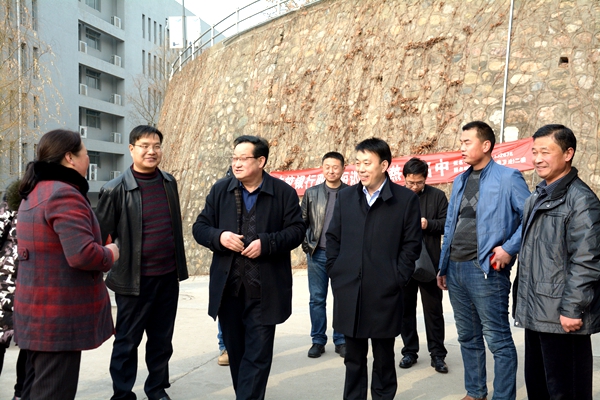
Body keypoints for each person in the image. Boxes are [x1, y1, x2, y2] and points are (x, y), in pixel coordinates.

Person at [193, 135, 305, 400]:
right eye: (234, 158)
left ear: (261, 161)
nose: (237, 163)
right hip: (229, 289)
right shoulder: (221, 191)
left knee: (258, 356)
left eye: (243, 158)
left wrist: (267, 243)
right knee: (237, 354)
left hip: (265, 290)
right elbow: (200, 227)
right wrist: (220, 237)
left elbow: (297, 231)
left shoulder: (283, 193)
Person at [14, 129, 119, 400]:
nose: (89, 160)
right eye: (86, 153)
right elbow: (82, 254)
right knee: (53, 392)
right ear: (70, 157)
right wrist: (110, 253)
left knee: (34, 388)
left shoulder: (35, 191)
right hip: (58, 317)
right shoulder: (63, 194)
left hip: (36, 313)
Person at [437, 121, 530, 400]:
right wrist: (443, 265)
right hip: (456, 268)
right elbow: (450, 225)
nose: (461, 147)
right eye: (461, 142)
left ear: (486, 145)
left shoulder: (508, 177)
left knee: (498, 340)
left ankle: (503, 396)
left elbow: (531, 217)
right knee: (467, 336)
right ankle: (475, 392)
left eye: (467, 142)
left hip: (486, 269)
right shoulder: (459, 180)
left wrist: (509, 249)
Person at [96, 125, 188, 400]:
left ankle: (157, 389)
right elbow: (99, 237)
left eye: (156, 146)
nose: (152, 151)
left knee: (162, 340)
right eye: (145, 145)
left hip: (167, 277)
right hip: (133, 281)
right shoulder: (114, 189)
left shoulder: (169, 182)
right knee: (127, 341)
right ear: (131, 149)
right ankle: (122, 394)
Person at [326, 138, 422, 400]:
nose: (361, 169)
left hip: (385, 292)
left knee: (383, 357)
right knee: (353, 358)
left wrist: (397, 277)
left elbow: (412, 245)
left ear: (384, 165)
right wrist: (337, 270)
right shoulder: (346, 197)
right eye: (358, 163)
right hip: (350, 290)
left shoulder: (404, 200)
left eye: (367, 163)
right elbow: (333, 237)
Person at [514, 124, 600, 399]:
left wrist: (573, 308)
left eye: (545, 152)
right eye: (534, 152)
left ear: (568, 153)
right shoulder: (537, 196)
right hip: (537, 311)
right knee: (538, 387)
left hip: (563, 316)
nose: (537, 159)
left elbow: (587, 260)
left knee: (567, 391)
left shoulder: (581, 200)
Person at [398, 158, 449, 373]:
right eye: (410, 182)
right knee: (405, 311)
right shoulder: (397, 197)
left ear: (426, 179)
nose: (413, 187)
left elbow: (448, 224)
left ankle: (437, 354)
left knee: (433, 311)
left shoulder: (437, 196)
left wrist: (428, 224)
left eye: (418, 183)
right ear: (404, 179)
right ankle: (409, 351)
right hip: (404, 264)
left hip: (430, 264)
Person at [301, 151, 348, 358]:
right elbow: (301, 222)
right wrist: (307, 244)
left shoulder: (352, 193)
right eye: (327, 167)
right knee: (317, 299)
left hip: (342, 256)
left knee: (342, 298)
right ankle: (318, 340)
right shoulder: (311, 193)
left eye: (335, 167)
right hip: (317, 254)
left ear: (343, 169)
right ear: (322, 168)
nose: (331, 171)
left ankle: (341, 340)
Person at [0, 180, 27, 400]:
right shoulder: (9, 208)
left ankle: (21, 394)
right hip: (5, 287)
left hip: (28, 287)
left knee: (28, 346)